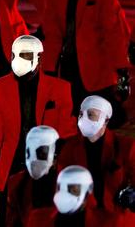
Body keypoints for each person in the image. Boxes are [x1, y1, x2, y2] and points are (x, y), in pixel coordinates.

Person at [0, 35, 77, 221]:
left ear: (39, 58)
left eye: (26, 55)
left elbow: (67, 132)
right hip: (13, 168)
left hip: (46, 170)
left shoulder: (60, 89)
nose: (19, 60)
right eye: (15, 55)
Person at [41, 0, 130, 122]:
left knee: (100, 123)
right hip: (66, 70)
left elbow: (113, 32)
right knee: (68, 122)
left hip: (98, 71)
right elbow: (52, 35)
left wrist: (121, 72)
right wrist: (48, 72)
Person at [57, 96, 135, 224]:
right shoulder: (69, 147)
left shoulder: (126, 146)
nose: (84, 119)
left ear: (105, 120)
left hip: (118, 218)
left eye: (91, 115)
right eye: (81, 114)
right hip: (85, 217)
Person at [5, 126, 61, 227]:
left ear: (55, 156)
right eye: (29, 153)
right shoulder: (17, 184)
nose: (33, 159)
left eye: (41, 153)